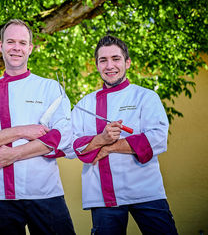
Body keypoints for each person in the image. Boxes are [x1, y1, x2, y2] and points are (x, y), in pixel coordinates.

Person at [0, 19, 76, 235]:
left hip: (44, 190)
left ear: (31, 48)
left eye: (22, 43)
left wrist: (14, 154)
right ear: (1, 46)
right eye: (11, 41)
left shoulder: (50, 88)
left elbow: (62, 136)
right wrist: (22, 131)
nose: (16, 48)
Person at [72, 35, 178, 235]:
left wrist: (109, 147)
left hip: (147, 191)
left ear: (127, 62)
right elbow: (73, 145)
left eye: (115, 59)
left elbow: (157, 139)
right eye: (103, 60)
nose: (109, 65)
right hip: (103, 197)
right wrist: (101, 139)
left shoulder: (146, 97)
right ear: (96, 65)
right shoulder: (84, 104)